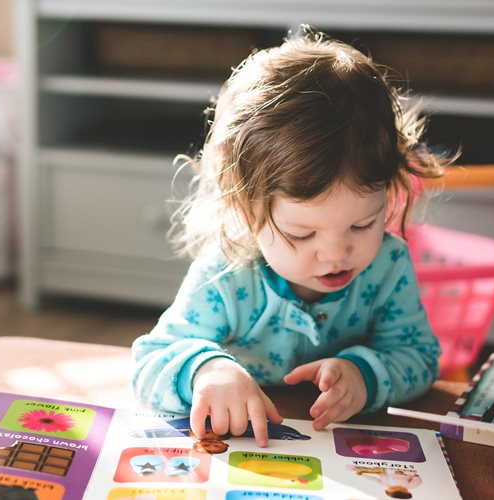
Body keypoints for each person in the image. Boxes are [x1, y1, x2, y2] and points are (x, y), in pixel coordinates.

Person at [131, 27, 449, 448]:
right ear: (246, 210)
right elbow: (150, 361)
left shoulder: (388, 266)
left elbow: (420, 359)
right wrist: (207, 370)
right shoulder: (226, 275)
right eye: (302, 233)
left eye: (363, 224)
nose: (337, 253)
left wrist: (364, 374)